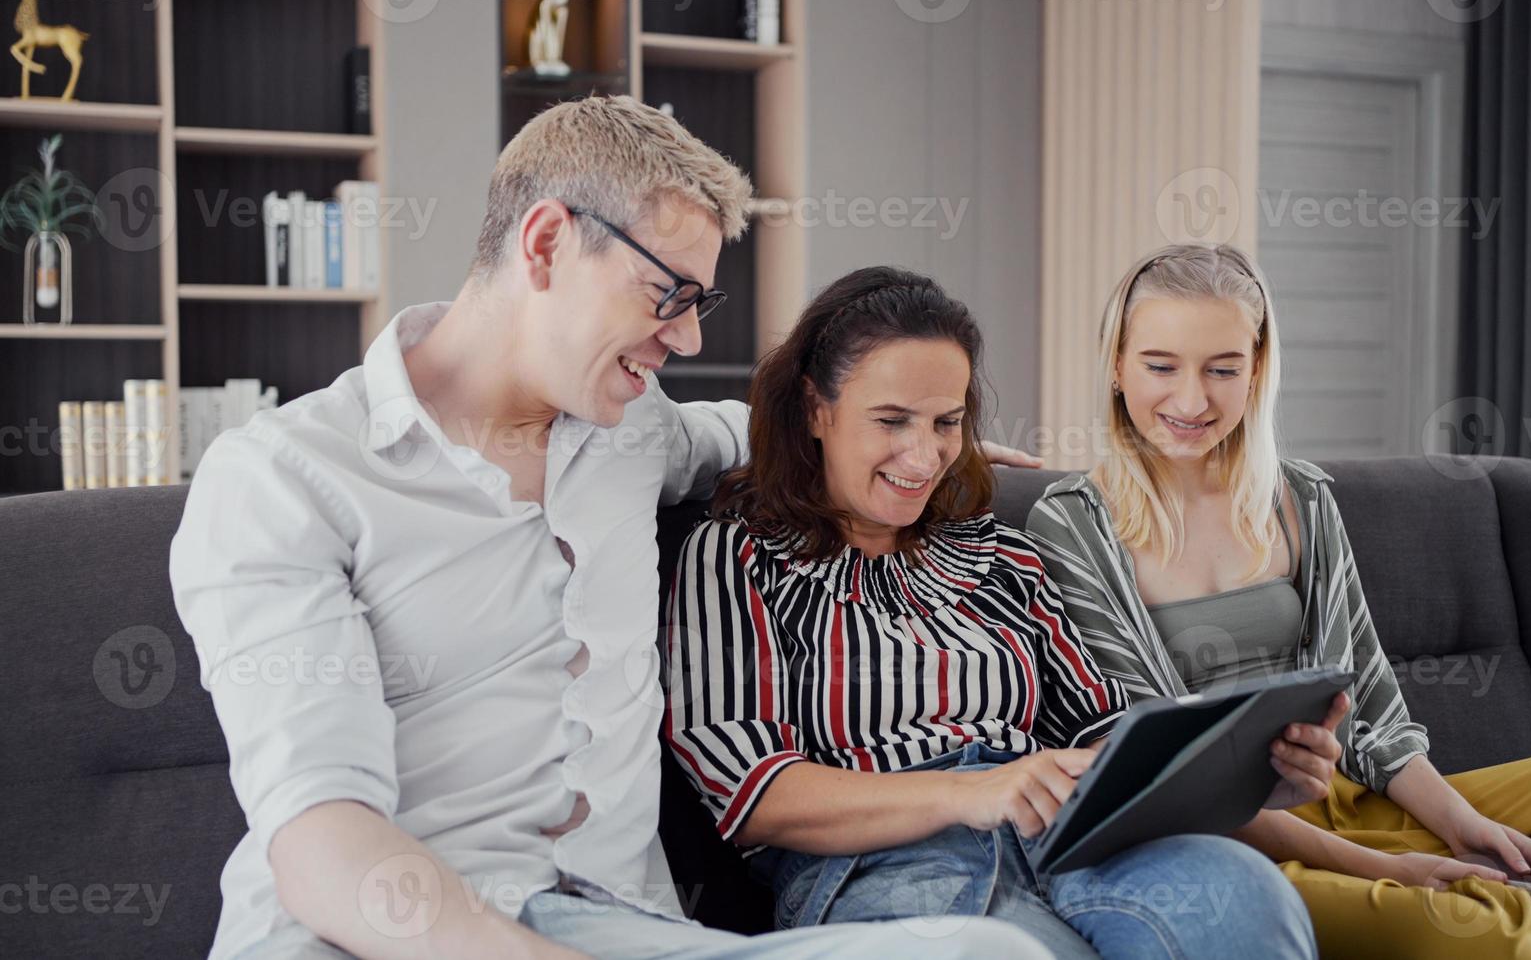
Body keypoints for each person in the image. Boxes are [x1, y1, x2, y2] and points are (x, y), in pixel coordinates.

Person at [169, 96, 1050, 960]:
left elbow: (754, 427)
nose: (690, 337)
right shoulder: (284, 478)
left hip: (620, 924)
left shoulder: (631, 430)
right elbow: (325, 844)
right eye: (669, 293)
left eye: (701, 300)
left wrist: (922, 446)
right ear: (547, 242)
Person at [665, 265, 1336, 958]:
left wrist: (1244, 773)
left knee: (1248, 902)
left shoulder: (1003, 556)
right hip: (885, 867)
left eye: (946, 422)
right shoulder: (738, 556)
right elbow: (749, 795)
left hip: (1065, 834)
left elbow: (1108, 740)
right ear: (815, 408)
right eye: (892, 420)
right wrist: (973, 792)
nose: (925, 456)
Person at [1025, 243, 1531, 959]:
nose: (1192, 400)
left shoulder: (1300, 498)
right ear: (1118, 368)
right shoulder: (1072, 523)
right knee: (1496, 937)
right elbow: (1162, 778)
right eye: (1161, 366)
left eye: (1223, 369)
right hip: (1233, 845)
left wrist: (1465, 824)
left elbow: (1371, 708)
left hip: (1348, 798)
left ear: (1256, 372)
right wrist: (1392, 870)